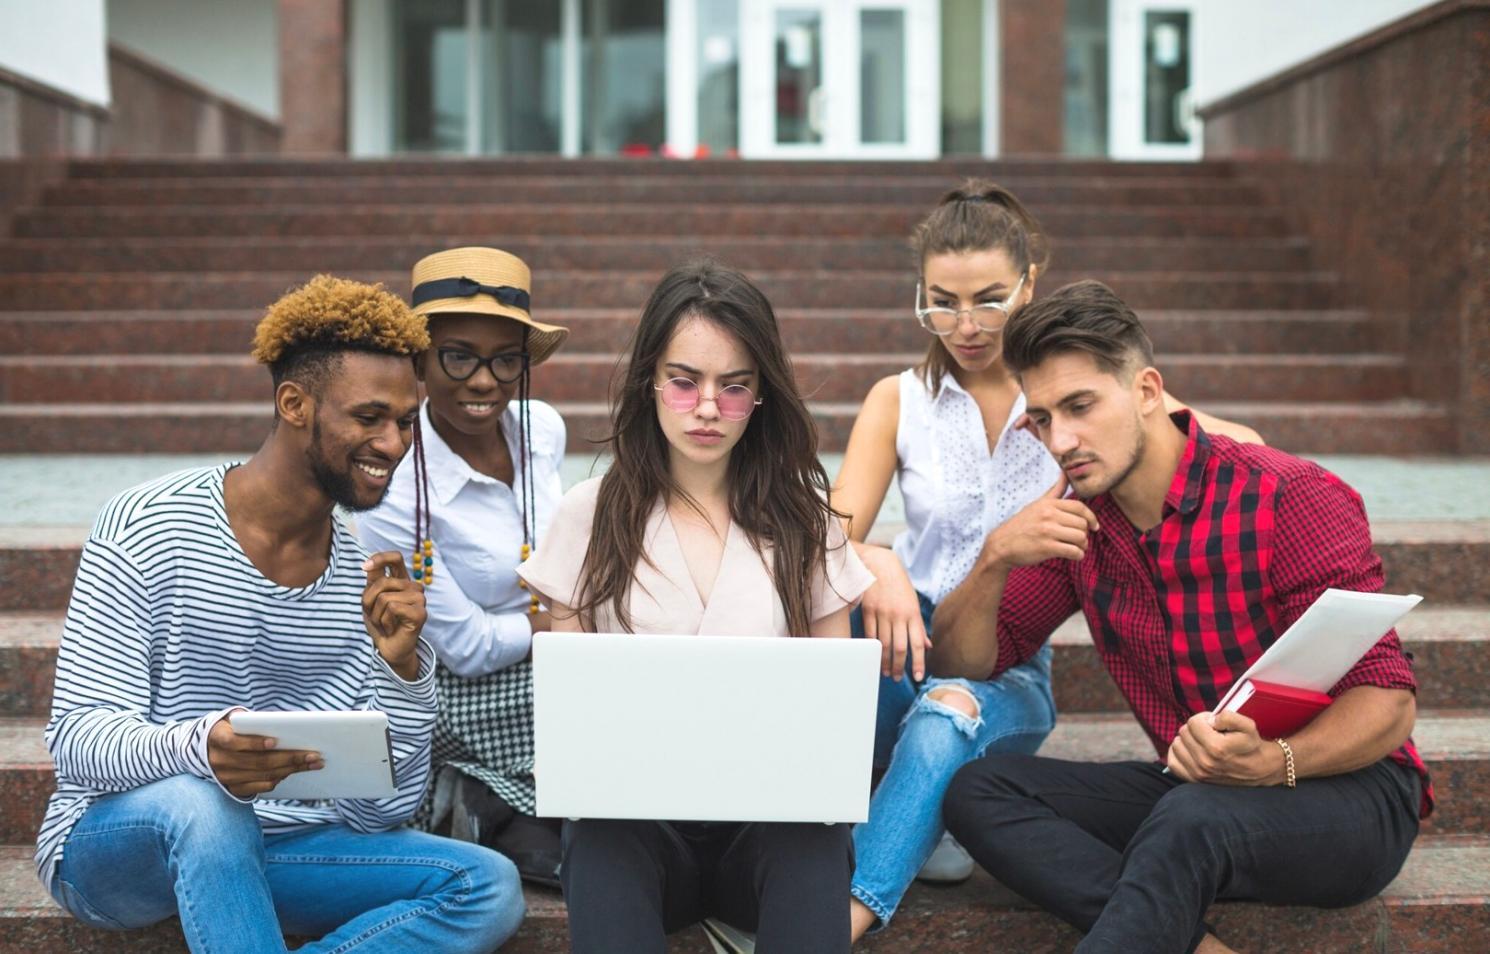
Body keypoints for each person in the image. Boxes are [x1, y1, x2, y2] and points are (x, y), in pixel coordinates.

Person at [936, 280, 1430, 954]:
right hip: (1202, 788)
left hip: (1346, 792)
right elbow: (969, 660)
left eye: (1080, 406)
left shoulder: (1287, 495)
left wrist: (1274, 762)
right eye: (1043, 418)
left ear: (1145, 392)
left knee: (1190, 816)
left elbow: (1388, 703)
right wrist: (994, 558)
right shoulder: (1077, 522)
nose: (1062, 438)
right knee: (979, 789)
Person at [37, 276, 525, 953]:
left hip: (282, 847)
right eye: (369, 418)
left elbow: (377, 811)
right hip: (116, 846)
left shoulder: (359, 576)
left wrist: (405, 672)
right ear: (295, 404)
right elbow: (78, 740)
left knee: (487, 886)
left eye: (406, 421)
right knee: (207, 806)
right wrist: (203, 749)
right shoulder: (149, 524)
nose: (393, 444)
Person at [834, 180, 1264, 940]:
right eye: (942, 301)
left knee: (951, 710)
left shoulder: (1069, 396)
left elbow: (1242, 448)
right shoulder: (897, 399)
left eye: (990, 299)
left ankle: (838, 922)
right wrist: (881, 562)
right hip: (900, 640)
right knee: (818, 688)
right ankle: (917, 813)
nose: (964, 325)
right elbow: (828, 536)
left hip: (1008, 661)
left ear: (1032, 282)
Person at [518, 261, 876, 953]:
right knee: (597, 834)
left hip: (769, 835)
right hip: (641, 836)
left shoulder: (809, 522)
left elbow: (835, 721)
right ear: (650, 381)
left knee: (814, 839)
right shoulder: (587, 517)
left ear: (762, 395)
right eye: (684, 382)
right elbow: (573, 727)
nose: (708, 407)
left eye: (734, 387)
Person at [357, 247, 569, 885]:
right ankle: (478, 793)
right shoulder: (393, 492)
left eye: (506, 359)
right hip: (463, 691)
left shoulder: (542, 431)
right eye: (459, 356)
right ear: (419, 361)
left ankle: (507, 809)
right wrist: (558, 622)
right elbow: (468, 647)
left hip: (555, 650)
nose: (485, 381)